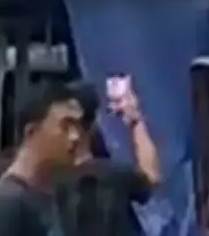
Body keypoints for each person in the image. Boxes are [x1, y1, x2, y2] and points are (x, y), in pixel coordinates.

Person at [54, 80, 163, 236]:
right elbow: (152, 177)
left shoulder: (51, 181)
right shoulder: (115, 177)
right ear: (93, 125)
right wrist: (134, 118)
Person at [0, 81, 84, 236]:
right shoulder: (7, 204)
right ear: (32, 132)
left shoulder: (47, 198)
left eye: (77, 127)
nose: (75, 137)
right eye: (65, 126)